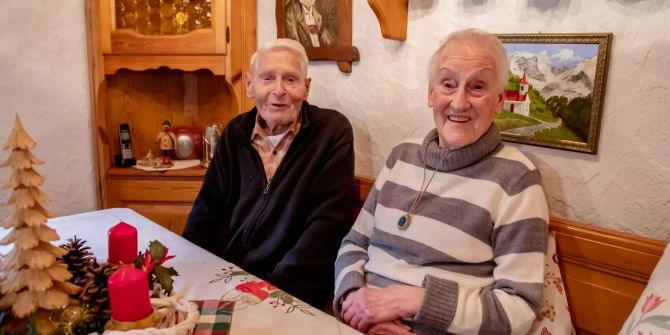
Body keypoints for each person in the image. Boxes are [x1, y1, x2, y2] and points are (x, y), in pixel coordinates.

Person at [333, 29, 549, 334]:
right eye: (448, 84)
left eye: (477, 87)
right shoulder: (401, 157)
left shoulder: (517, 179)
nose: (459, 102)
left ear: (499, 100)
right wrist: (355, 300)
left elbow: (519, 308)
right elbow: (354, 244)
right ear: (431, 93)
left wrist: (413, 301)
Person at [182, 38, 355, 309]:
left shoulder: (331, 132)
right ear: (250, 85)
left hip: (289, 291)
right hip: (226, 276)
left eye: (290, 79)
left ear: (306, 88)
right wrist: (189, 267)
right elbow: (207, 209)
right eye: (267, 78)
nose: (279, 90)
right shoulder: (235, 133)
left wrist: (271, 293)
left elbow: (326, 227)